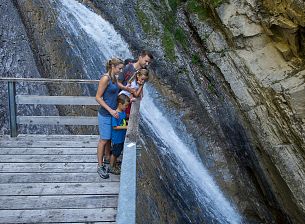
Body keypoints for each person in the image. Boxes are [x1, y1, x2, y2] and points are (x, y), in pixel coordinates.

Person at [96, 58, 124, 179]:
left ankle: (108, 158)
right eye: (120, 68)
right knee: (103, 140)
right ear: (113, 66)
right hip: (105, 114)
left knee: (108, 139)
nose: (121, 70)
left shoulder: (114, 78)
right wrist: (111, 110)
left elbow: (118, 91)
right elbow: (98, 97)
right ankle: (100, 166)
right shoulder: (105, 78)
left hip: (112, 113)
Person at [109, 94, 130, 175]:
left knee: (118, 152)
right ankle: (111, 167)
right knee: (115, 153)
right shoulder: (115, 115)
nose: (127, 107)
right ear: (120, 104)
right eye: (126, 105)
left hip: (121, 137)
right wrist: (126, 127)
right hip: (117, 138)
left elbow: (123, 120)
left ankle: (114, 164)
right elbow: (115, 127)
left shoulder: (123, 112)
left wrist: (127, 122)